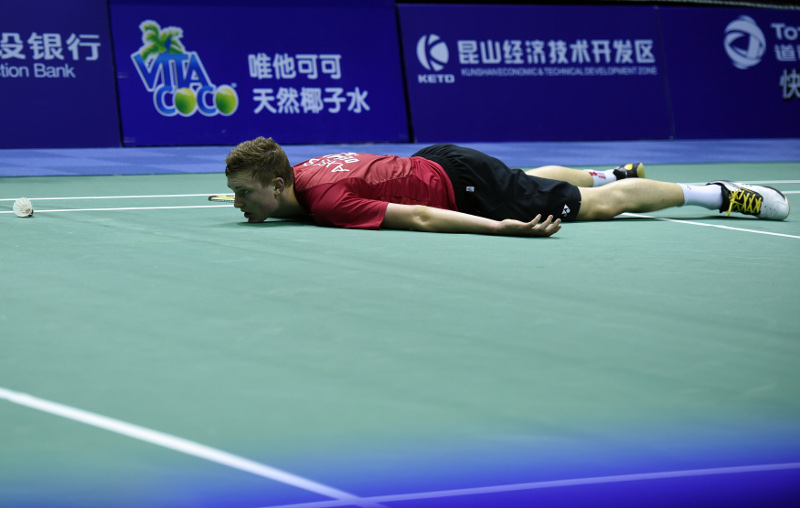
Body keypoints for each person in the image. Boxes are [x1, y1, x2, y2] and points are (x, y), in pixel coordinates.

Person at [223, 137, 790, 237]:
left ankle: (718, 194)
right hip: (437, 159)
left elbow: (419, 217)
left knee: (598, 209)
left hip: (461, 189)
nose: (237, 202)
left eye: (245, 193)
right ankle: (610, 172)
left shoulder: (328, 204)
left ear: (278, 182)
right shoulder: (304, 172)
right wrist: (263, 203)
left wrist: (499, 228)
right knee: (524, 180)